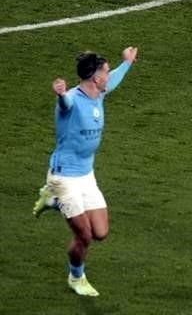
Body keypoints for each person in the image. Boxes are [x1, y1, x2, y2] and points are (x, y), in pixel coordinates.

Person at [32, 46, 139, 297]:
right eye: (106, 71)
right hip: (63, 177)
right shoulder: (71, 100)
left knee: (101, 232)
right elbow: (66, 103)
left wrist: (128, 63)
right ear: (95, 77)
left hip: (86, 176)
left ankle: (52, 200)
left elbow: (116, 78)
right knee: (85, 236)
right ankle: (76, 277)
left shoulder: (98, 93)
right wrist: (59, 94)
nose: (109, 75)